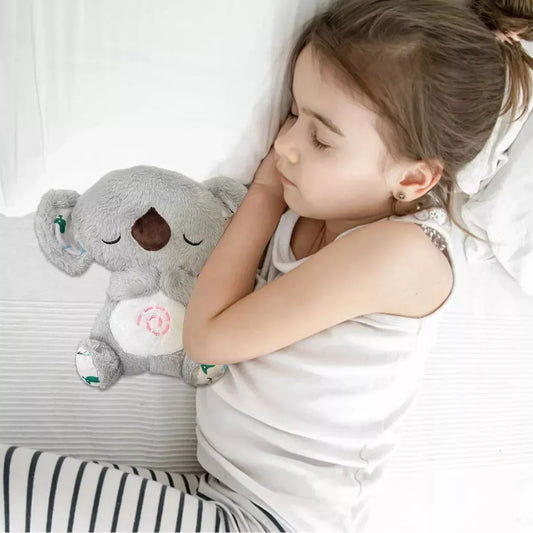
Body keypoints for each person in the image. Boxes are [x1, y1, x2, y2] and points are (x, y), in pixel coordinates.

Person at [2, 1, 532, 532]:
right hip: (218, 496)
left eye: (320, 138)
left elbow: (208, 338)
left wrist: (262, 193)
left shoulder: (405, 255)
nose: (283, 144)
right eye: (294, 113)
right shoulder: (311, 214)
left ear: (413, 180)